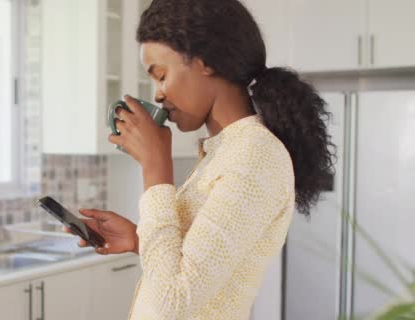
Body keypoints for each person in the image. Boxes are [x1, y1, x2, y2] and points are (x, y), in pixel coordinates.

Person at [64, 0, 334, 319]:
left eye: (161, 75)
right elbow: (201, 268)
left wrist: (156, 169)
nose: (158, 95)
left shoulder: (255, 156)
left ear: (206, 60)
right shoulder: (227, 150)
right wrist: (141, 239)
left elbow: (173, 303)